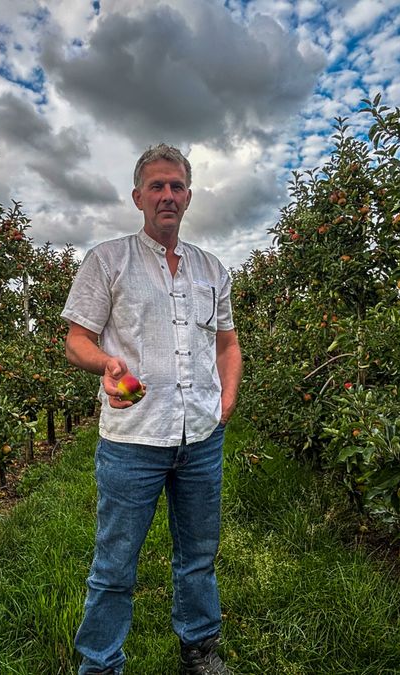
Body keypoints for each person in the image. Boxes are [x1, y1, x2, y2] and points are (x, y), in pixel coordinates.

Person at [61, 143, 242, 675]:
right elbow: (76, 340)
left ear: (188, 197)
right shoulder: (108, 261)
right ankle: (100, 664)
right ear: (138, 196)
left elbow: (227, 344)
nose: (167, 195)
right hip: (132, 439)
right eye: (157, 186)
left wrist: (226, 400)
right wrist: (106, 364)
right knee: (115, 563)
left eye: (176, 186)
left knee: (199, 556)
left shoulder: (212, 269)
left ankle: (199, 649)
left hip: (201, 438)